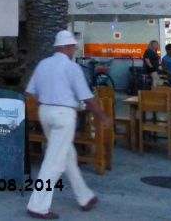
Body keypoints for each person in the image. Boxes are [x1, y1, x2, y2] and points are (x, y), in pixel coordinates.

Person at [25, 30, 110, 219]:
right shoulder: (72, 68)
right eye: (73, 47)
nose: (74, 50)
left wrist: (44, 103)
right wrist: (102, 116)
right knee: (54, 162)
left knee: (67, 156)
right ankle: (38, 205)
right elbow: (87, 98)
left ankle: (84, 196)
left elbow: (31, 91)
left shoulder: (43, 64)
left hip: (45, 112)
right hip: (63, 115)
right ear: (68, 47)